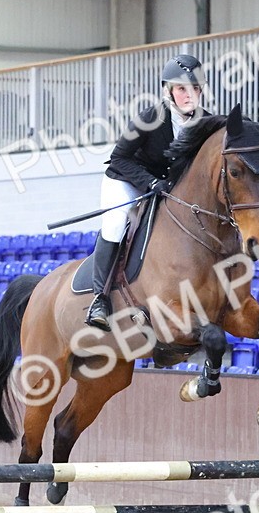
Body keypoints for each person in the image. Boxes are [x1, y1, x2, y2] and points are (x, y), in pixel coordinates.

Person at [85, 53, 207, 331]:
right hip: (127, 179)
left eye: (195, 88)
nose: (190, 95)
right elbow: (119, 158)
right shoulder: (152, 117)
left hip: (166, 187)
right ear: (169, 91)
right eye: (182, 89)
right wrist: (150, 183)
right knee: (116, 223)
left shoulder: (204, 123)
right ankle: (99, 299)